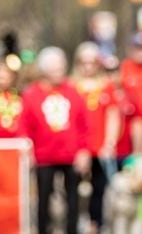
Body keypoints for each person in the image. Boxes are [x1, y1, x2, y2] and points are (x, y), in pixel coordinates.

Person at [18, 46, 91, 234]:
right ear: (45, 70)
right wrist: (28, 149)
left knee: (73, 200)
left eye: (61, 67)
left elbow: (84, 124)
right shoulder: (31, 94)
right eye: (55, 68)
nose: (60, 72)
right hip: (44, 156)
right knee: (43, 199)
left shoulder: (73, 91)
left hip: (71, 154)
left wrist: (84, 150)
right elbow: (24, 125)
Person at [71, 41, 120, 234]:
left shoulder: (106, 87)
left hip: (99, 146)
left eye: (92, 62)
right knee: (74, 189)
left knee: (99, 188)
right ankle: (73, 223)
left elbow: (113, 115)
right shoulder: (71, 86)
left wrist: (109, 142)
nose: (88, 66)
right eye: (84, 62)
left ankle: (95, 225)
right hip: (77, 147)